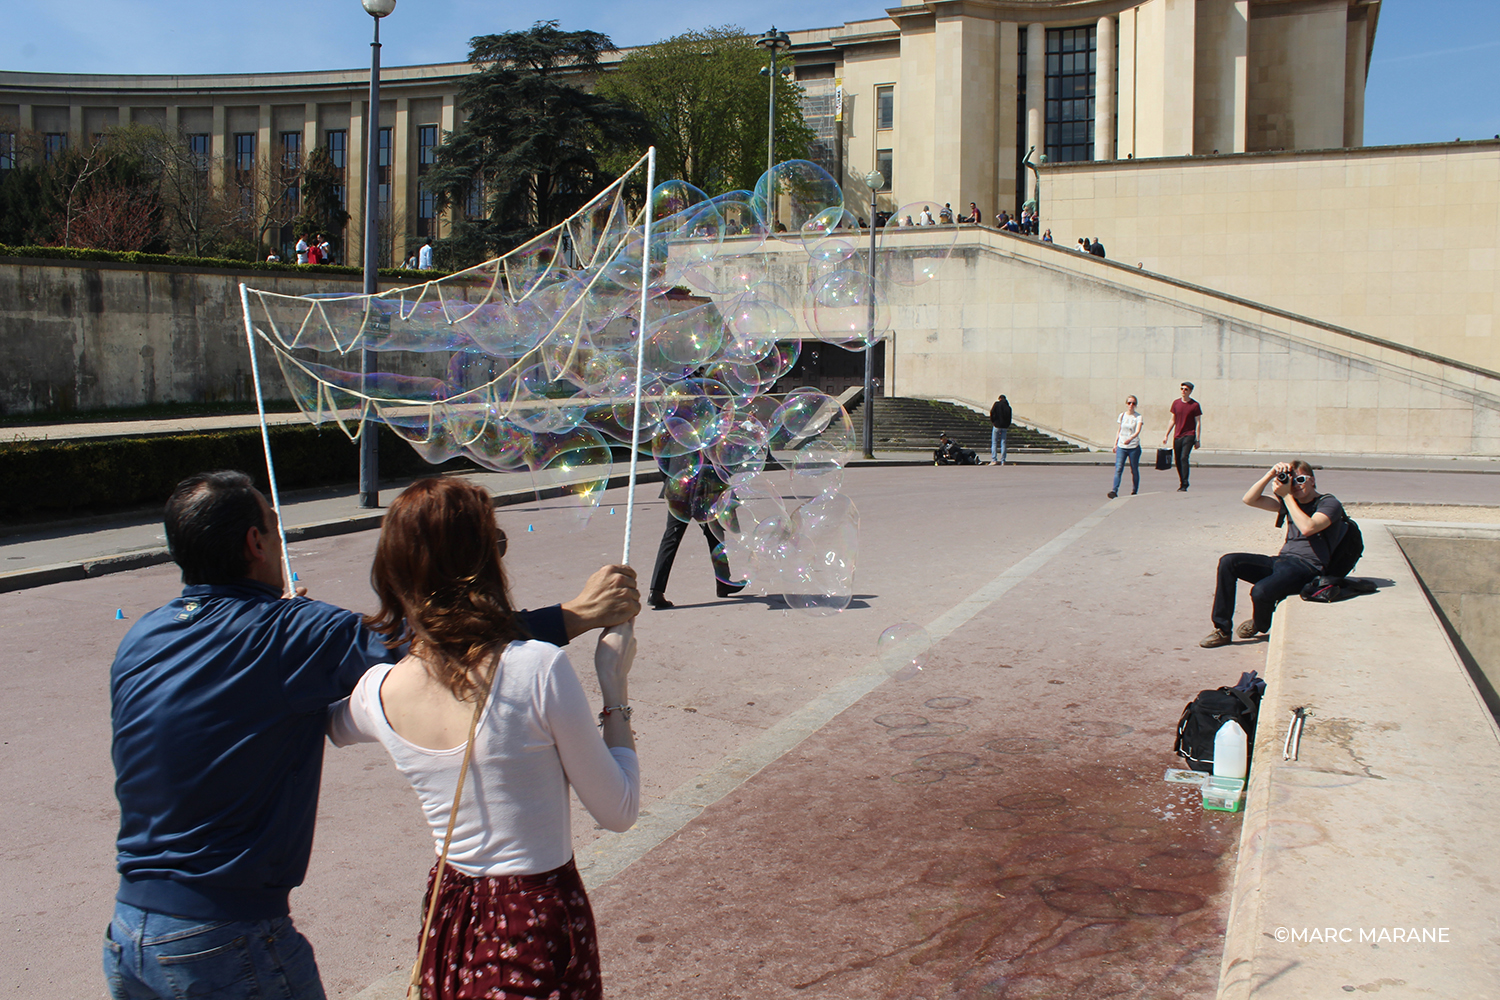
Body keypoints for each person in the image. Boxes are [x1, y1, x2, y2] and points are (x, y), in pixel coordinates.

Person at [103, 470, 639, 1000]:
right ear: (254, 542)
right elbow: (444, 648)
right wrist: (575, 617)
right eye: (274, 523)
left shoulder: (142, 636)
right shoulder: (293, 633)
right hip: (222, 937)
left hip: (130, 931)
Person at [328, 477, 640, 999]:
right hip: (533, 917)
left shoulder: (376, 691)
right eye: (496, 541)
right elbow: (619, 810)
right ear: (482, 565)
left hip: (450, 912)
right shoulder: (537, 669)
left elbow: (326, 723)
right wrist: (614, 683)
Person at [1200, 461, 1345, 647]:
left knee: (1261, 591)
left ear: (1313, 481)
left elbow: (1309, 527)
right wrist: (1270, 474)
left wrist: (1287, 497)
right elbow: (1249, 499)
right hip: (1281, 560)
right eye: (1292, 481)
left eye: (1301, 479)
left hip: (1309, 568)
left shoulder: (1329, 503)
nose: (1297, 485)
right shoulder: (1290, 501)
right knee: (1229, 562)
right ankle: (1222, 629)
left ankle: (1260, 624)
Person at [648, 457, 744, 610]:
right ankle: (723, 583)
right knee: (714, 534)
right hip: (704, 490)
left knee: (672, 538)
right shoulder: (709, 434)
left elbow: (663, 461)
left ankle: (656, 590)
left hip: (678, 488)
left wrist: (671, 481)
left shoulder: (676, 434)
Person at [1163, 381, 1203, 491]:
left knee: (1184, 457)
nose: (1183, 391)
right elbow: (1173, 419)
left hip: (1189, 435)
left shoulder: (1195, 405)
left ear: (1190, 391)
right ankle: (1182, 481)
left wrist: (1198, 439)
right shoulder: (1176, 403)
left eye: (1186, 389)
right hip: (1178, 435)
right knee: (1177, 460)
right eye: (1182, 389)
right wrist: (1166, 434)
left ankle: (1185, 483)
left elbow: (1198, 422)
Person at [1109, 394, 1143, 498]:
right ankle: (1114, 490)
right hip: (1121, 446)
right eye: (1129, 403)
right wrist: (1115, 444)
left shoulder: (1138, 417)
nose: (1131, 405)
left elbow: (1137, 431)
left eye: (1133, 403)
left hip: (1133, 447)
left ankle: (1134, 490)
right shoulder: (1122, 415)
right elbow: (1119, 430)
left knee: (1134, 469)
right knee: (1118, 468)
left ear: (1136, 405)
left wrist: (1131, 438)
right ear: (1126, 404)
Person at [988, 393, 1012, 466]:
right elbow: (1009, 418)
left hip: (996, 426)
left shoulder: (996, 404)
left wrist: (994, 422)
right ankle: (1003, 460)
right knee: (1003, 443)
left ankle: (994, 459)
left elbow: (992, 413)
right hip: (1004, 427)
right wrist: (1007, 425)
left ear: (999, 399)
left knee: (994, 443)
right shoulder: (1008, 407)